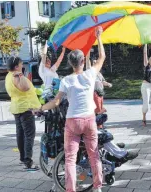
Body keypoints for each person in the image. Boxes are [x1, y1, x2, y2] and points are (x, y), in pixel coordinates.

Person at [33, 27, 105, 192]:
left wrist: (41, 107)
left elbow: (57, 102)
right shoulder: (90, 74)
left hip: (72, 121)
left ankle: (70, 189)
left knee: (70, 159)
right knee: (94, 155)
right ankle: (97, 187)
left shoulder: (66, 80)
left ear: (71, 63)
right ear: (82, 62)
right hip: (89, 119)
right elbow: (102, 57)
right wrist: (98, 37)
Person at [5, 56, 41, 170]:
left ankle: (22, 158)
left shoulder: (8, 76)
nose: (22, 66)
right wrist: (21, 75)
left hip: (17, 107)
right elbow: (24, 88)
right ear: (16, 66)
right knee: (29, 135)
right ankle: (28, 161)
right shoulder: (16, 75)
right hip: (25, 108)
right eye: (21, 64)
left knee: (20, 134)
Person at [86, 52, 112, 129]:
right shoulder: (90, 71)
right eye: (94, 62)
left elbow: (102, 81)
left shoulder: (99, 74)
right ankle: (97, 126)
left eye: (96, 62)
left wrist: (108, 84)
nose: (96, 63)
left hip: (101, 94)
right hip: (95, 93)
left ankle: (100, 124)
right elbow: (87, 62)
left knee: (100, 109)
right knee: (97, 110)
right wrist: (87, 54)